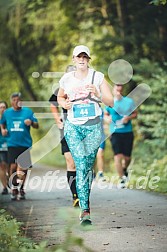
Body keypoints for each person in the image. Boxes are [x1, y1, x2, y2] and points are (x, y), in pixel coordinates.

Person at [58, 45, 113, 225]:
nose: (82, 59)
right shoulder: (66, 78)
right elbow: (60, 97)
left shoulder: (98, 77)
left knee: (87, 167)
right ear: (73, 59)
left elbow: (110, 101)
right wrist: (64, 103)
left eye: (85, 56)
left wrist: (97, 94)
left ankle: (84, 203)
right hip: (73, 126)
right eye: (78, 56)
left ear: (88, 59)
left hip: (94, 127)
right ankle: (85, 210)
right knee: (80, 163)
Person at [49, 65, 79, 207]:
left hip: (82, 128)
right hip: (66, 129)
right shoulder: (61, 88)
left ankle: (83, 190)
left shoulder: (83, 87)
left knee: (81, 163)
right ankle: (75, 196)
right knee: (70, 161)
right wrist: (57, 119)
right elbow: (53, 103)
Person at [0, 92, 39, 200]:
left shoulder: (28, 112)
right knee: (12, 167)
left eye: (18, 100)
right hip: (12, 144)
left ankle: (21, 188)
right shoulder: (7, 113)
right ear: (11, 102)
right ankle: (14, 188)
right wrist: (3, 129)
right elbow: (2, 122)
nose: (16, 102)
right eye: (14, 100)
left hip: (25, 144)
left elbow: (37, 125)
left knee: (23, 169)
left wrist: (31, 122)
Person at [106, 84, 137, 189]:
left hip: (127, 131)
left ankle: (124, 169)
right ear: (113, 90)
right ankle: (121, 179)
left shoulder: (129, 102)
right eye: (116, 89)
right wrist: (108, 119)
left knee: (127, 157)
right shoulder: (110, 102)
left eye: (120, 90)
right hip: (115, 132)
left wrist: (128, 118)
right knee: (118, 156)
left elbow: (135, 114)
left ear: (122, 90)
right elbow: (106, 114)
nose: (118, 91)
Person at [0, 101, 9, 194]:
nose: (2, 109)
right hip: (0, 146)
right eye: (0, 107)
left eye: (4, 107)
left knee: (10, 166)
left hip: (11, 145)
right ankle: (4, 187)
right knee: (2, 166)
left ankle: (8, 177)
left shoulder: (10, 118)